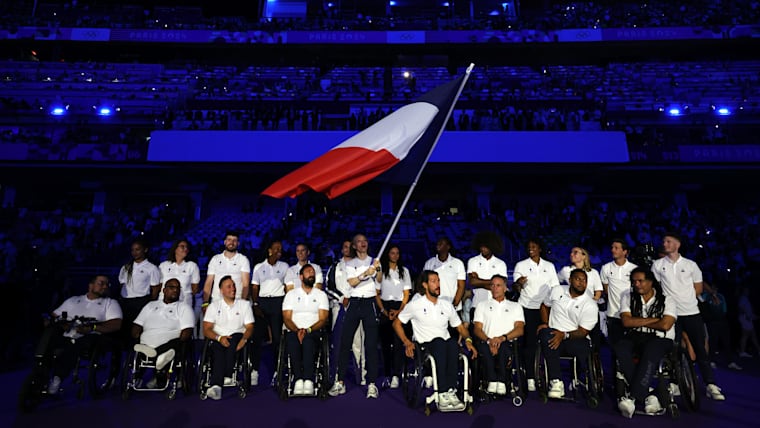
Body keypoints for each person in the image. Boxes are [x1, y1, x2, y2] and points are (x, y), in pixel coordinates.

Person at [651, 232, 725, 401]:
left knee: (700, 349)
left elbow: (698, 288)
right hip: (671, 315)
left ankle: (710, 384)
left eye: (669, 241)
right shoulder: (657, 265)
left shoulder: (691, 265)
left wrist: (684, 299)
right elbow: (656, 287)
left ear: (677, 245)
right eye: (664, 241)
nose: (665, 243)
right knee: (674, 350)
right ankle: (676, 383)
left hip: (692, 313)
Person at [393, 270, 477, 411]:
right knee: (440, 342)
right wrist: (407, 342)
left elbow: (460, 328)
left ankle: (451, 391)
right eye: (433, 281)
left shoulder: (446, 305)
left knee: (451, 343)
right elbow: (396, 323)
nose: (438, 284)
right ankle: (443, 392)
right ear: (425, 285)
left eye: (438, 281)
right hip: (425, 346)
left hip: (445, 346)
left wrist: (468, 340)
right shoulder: (415, 304)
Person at [614, 267, 677, 418]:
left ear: (650, 282)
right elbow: (627, 322)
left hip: (661, 337)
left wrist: (639, 322)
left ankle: (633, 398)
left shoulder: (667, 299)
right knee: (620, 348)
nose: (637, 284)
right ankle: (651, 394)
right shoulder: (628, 296)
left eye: (640, 281)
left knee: (651, 350)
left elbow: (665, 325)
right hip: (635, 335)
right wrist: (655, 320)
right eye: (634, 281)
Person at [47, 275, 123, 394]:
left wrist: (92, 327)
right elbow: (54, 316)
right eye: (101, 283)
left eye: (107, 285)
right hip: (68, 334)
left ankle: (57, 378)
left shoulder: (110, 303)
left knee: (77, 344)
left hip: (91, 336)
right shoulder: (73, 300)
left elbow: (116, 324)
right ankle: (40, 372)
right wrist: (62, 324)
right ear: (91, 285)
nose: (105, 286)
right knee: (50, 334)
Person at [329, 233, 381, 399]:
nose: (363, 243)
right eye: (359, 241)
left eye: (365, 240)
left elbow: (379, 281)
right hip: (354, 303)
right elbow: (352, 282)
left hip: (369, 303)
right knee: (345, 342)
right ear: (354, 246)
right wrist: (366, 273)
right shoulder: (350, 264)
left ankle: (371, 383)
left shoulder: (374, 260)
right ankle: (340, 382)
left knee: (371, 344)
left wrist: (378, 270)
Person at [538, 269, 598, 399]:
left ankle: (577, 378)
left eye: (584, 280)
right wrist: (545, 322)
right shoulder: (557, 290)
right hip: (553, 335)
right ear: (570, 280)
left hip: (576, 338)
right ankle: (556, 382)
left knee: (580, 346)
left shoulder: (590, 304)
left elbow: (583, 331)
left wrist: (564, 335)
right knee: (546, 334)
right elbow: (544, 306)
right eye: (578, 279)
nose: (581, 283)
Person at [513, 238, 559, 392]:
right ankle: (530, 377)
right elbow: (516, 286)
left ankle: (551, 376)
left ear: (540, 248)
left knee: (548, 342)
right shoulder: (521, 265)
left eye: (533, 246)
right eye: (528, 247)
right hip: (527, 308)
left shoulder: (549, 266)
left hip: (546, 308)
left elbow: (555, 288)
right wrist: (519, 283)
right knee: (530, 344)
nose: (530, 249)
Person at [132, 278, 195, 388]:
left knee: (179, 343)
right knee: (138, 343)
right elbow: (137, 325)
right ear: (164, 290)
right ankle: (158, 358)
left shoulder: (184, 307)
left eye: (177, 288)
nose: (175, 290)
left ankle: (156, 354)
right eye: (172, 287)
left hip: (170, 342)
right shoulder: (150, 305)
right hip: (147, 341)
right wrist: (134, 336)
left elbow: (187, 331)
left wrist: (181, 339)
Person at [202, 275, 254, 400]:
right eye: (229, 286)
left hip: (237, 336)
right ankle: (216, 386)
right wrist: (219, 338)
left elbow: (250, 327)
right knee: (218, 349)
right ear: (221, 290)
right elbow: (207, 329)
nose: (233, 289)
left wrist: (244, 339)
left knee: (234, 339)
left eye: (234, 286)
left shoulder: (244, 305)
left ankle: (227, 374)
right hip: (218, 337)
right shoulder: (214, 306)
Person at [473, 274, 525, 395]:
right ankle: (492, 379)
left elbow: (519, 329)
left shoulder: (516, 306)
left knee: (504, 347)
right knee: (485, 348)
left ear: (505, 288)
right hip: (487, 341)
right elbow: (477, 329)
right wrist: (489, 340)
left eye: (498, 285)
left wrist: (502, 338)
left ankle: (501, 381)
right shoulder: (482, 305)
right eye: (492, 285)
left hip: (507, 341)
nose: (495, 288)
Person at [281, 264, 329, 395]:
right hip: (294, 330)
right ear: (301, 277)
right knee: (292, 340)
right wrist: (297, 330)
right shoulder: (291, 295)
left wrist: (307, 330)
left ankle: (308, 379)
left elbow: (323, 319)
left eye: (313, 272)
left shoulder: (321, 295)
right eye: (308, 272)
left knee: (308, 341)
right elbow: (287, 318)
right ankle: (297, 379)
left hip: (313, 331)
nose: (311, 274)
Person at [250, 240, 288, 386]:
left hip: (278, 302)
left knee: (277, 340)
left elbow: (287, 286)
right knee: (257, 338)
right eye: (277, 248)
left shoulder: (284, 266)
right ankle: (254, 370)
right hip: (262, 303)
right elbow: (254, 287)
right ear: (269, 250)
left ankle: (277, 371)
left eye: (281, 248)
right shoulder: (259, 267)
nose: (280, 250)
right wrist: (255, 304)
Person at [375, 244, 412, 389]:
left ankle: (396, 375)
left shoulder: (405, 271)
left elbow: (406, 293)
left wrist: (400, 311)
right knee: (385, 345)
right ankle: (387, 374)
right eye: (392, 253)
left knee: (398, 343)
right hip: (385, 307)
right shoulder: (381, 272)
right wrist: (384, 311)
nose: (395, 256)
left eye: (397, 253)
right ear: (388, 254)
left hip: (399, 308)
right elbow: (377, 294)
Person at [118, 238, 161, 345]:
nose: (134, 252)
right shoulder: (126, 267)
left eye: (137, 249)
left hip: (140, 302)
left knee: (137, 330)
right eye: (133, 250)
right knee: (124, 330)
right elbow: (121, 284)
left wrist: (150, 304)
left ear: (145, 250)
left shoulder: (151, 268)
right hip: (125, 302)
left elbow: (155, 288)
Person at [158, 239, 201, 337]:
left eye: (187, 247)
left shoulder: (192, 266)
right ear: (175, 249)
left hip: (184, 304)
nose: (185, 249)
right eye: (182, 246)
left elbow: (195, 289)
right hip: (164, 305)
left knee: (183, 333)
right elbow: (159, 287)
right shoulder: (163, 265)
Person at [600, 239, 637, 347]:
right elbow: (606, 289)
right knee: (614, 347)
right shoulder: (606, 268)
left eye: (616, 248)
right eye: (612, 248)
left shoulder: (634, 269)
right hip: (612, 314)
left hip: (631, 314)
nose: (613, 250)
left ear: (625, 251)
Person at [201, 231, 251, 305]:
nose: (231, 242)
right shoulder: (215, 259)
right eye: (229, 240)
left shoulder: (243, 260)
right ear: (225, 242)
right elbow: (208, 283)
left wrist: (242, 304)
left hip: (236, 302)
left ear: (238, 243)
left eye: (234, 240)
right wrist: (205, 303)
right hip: (217, 301)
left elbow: (246, 285)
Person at [467, 232, 508, 316]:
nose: (483, 249)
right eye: (481, 246)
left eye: (485, 246)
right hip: (477, 305)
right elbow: (472, 282)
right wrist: (494, 284)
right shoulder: (473, 261)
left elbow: (502, 285)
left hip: (496, 305)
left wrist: (479, 282)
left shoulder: (500, 263)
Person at [423, 237, 466, 315]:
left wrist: (454, 305)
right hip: (434, 308)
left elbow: (461, 286)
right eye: (438, 243)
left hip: (453, 308)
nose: (438, 245)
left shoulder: (457, 263)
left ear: (448, 247)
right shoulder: (429, 263)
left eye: (441, 243)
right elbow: (424, 285)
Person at [738, 286, 760, 358]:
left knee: (751, 336)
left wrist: (753, 316)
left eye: (748, 290)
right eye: (746, 290)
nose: (748, 291)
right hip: (745, 320)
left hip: (748, 319)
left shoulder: (746, 299)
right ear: (744, 291)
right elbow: (741, 309)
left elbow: (748, 310)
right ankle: (742, 351)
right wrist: (746, 316)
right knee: (746, 336)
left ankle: (757, 350)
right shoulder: (742, 298)